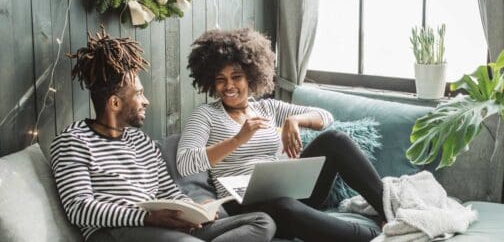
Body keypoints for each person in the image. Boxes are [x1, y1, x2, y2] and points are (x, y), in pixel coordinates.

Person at [51, 28, 276, 242]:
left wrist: (194, 210)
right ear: (115, 102)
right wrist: (146, 217)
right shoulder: (73, 141)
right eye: (138, 94)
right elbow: (79, 208)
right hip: (116, 232)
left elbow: (168, 190)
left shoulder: (141, 142)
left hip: (160, 227)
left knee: (262, 222)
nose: (146, 101)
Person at [178, 28, 385, 242]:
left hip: (286, 193)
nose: (229, 86)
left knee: (335, 140)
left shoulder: (268, 108)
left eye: (236, 77)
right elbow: (186, 162)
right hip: (244, 205)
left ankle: (391, 213)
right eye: (221, 79)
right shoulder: (205, 115)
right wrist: (238, 139)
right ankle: (373, 236)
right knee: (282, 206)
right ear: (211, 82)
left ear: (251, 77)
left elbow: (326, 116)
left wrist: (294, 120)